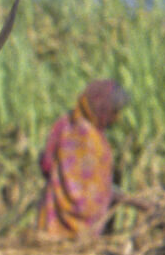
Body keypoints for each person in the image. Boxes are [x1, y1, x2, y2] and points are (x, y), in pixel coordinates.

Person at [37, 78, 128, 238]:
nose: (116, 118)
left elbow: (46, 164)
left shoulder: (62, 125)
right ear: (103, 108)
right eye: (114, 112)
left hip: (54, 228)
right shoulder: (95, 140)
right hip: (84, 234)